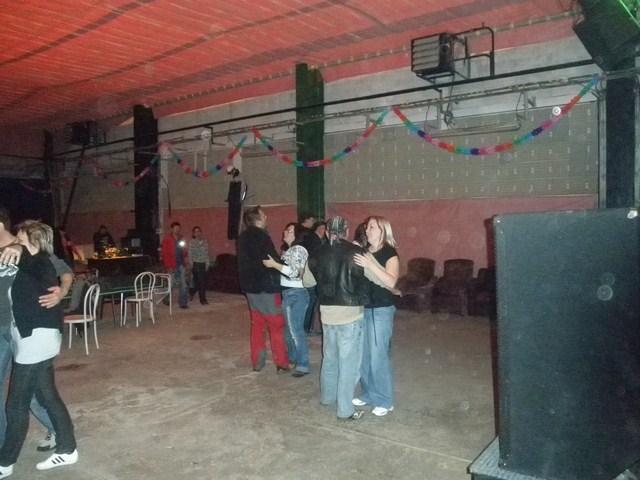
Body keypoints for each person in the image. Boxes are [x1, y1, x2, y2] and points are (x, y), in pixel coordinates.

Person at [0, 220, 78, 478]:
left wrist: (19, 249)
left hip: (35, 339)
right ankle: (67, 449)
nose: (16, 244)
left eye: (21, 240)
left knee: (16, 405)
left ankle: (4, 462)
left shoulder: (37, 261)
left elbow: (27, 256)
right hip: (38, 337)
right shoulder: (34, 263)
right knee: (48, 396)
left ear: (32, 244)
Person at [308, 216, 369, 420]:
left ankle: (327, 398)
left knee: (330, 359)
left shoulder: (316, 253)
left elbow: (307, 281)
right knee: (348, 364)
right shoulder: (357, 252)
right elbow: (370, 279)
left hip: (327, 313)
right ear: (347, 231)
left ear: (327, 232)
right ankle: (345, 410)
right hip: (350, 314)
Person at [353, 216, 400, 417]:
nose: (367, 230)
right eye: (367, 227)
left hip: (381, 309)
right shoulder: (364, 251)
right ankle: (370, 394)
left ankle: (385, 400)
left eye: (372, 227)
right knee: (363, 356)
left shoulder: (389, 253)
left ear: (383, 231)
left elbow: (391, 282)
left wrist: (370, 264)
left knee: (378, 356)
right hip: (363, 308)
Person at [237, 207, 289, 373]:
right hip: (267, 288)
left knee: (257, 326)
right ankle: (281, 362)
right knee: (276, 325)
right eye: (263, 215)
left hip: (250, 288)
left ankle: (257, 362)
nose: (266, 216)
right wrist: (284, 264)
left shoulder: (242, 237)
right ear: (257, 219)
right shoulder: (262, 236)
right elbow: (271, 260)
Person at [263, 223, 310, 377]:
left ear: (297, 235)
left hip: (296, 293)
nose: (285, 231)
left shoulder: (298, 249)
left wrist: (274, 265)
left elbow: (294, 273)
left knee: (295, 331)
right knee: (290, 331)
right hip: (290, 293)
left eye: (290, 230)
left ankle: (303, 364)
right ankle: (294, 359)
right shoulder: (291, 250)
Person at [161, 222, 189, 309]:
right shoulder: (167, 239)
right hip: (171, 264)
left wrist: (186, 260)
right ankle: (166, 299)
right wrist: (168, 266)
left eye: (178, 228)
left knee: (184, 284)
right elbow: (164, 254)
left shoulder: (181, 238)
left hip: (181, 264)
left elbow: (184, 251)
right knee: (171, 284)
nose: (177, 230)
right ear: (172, 229)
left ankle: (183, 303)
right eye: (175, 228)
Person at [188, 226, 210, 305]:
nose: (197, 233)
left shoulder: (205, 241)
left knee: (200, 282)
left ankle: (196, 294)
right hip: (196, 264)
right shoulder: (192, 242)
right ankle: (199, 297)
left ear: (201, 232)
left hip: (203, 263)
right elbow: (190, 254)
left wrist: (207, 263)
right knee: (199, 282)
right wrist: (191, 264)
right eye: (196, 232)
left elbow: (206, 253)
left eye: (199, 231)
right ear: (193, 233)